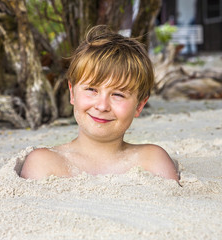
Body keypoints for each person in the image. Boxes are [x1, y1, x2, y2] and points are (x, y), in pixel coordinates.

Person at [20, 25, 179, 182]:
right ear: (72, 93)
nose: (102, 106)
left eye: (118, 94)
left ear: (139, 105)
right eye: (92, 90)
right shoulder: (44, 162)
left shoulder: (152, 160)